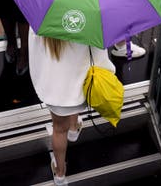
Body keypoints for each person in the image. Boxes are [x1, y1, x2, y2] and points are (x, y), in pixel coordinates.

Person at [28, 31, 115, 185]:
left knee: (59, 130)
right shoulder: (88, 19)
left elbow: (35, 55)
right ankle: (74, 129)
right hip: (81, 85)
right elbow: (98, 50)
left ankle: (60, 174)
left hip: (55, 90)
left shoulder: (42, 24)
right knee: (74, 99)